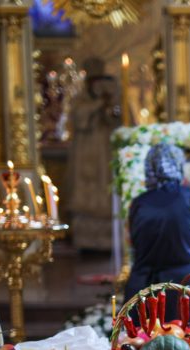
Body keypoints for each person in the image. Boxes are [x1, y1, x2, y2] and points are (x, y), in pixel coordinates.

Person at [124, 143, 190, 318]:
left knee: (143, 335)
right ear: (179, 164)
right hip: (185, 290)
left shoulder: (137, 204)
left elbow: (130, 245)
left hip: (144, 290)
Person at [65, 61, 120, 252]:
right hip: (86, 154)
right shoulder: (81, 101)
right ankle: (86, 241)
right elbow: (79, 119)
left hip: (107, 153)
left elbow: (120, 121)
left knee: (107, 189)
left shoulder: (114, 99)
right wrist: (98, 104)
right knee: (86, 193)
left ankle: (110, 241)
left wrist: (110, 105)